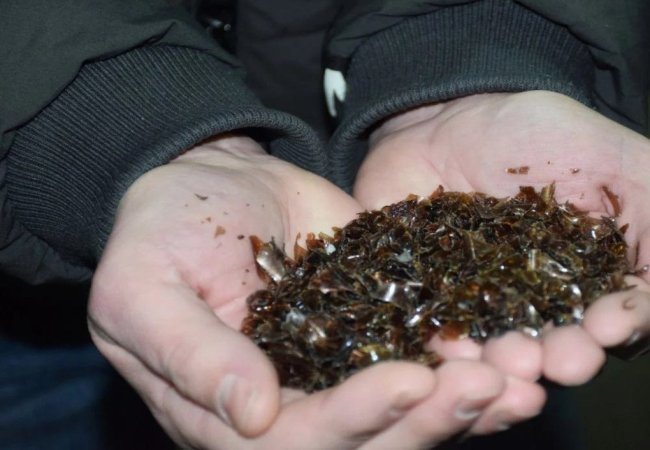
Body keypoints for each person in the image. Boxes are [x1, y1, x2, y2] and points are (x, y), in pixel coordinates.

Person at [0, 0, 648, 448]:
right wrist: (89, 119)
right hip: (39, 303)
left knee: (488, 384)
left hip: (482, 337)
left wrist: (488, 43)